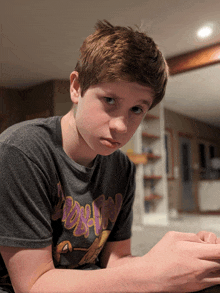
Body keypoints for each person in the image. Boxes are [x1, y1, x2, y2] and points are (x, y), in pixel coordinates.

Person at [0, 20, 220, 293]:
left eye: (137, 109)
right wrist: (152, 275)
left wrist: (179, 259)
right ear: (77, 88)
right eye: (110, 100)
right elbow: (33, 284)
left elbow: (116, 261)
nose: (121, 126)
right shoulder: (22, 150)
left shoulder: (121, 166)